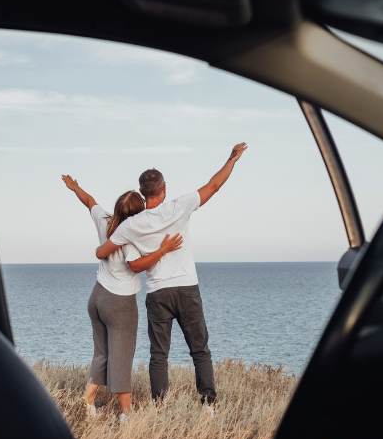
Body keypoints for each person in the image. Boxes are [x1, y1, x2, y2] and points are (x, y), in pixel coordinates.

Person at [94, 143, 248, 408]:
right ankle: (208, 405)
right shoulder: (180, 205)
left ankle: (160, 406)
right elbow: (214, 186)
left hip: (158, 293)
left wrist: (118, 234)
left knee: (159, 355)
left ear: (143, 193)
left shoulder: (131, 225)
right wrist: (232, 160)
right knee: (200, 350)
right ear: (164, 189)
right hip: (187, 288)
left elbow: (102, 251)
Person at [62, 175, 184, 421]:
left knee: (102, 353)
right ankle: (126, 414)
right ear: (137, 215)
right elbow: (137, 266)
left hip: (96, 297)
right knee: (122, 358)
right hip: (119, 304)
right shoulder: (129, 238)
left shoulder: (105, 221)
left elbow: (89, 201)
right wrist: (163, 250)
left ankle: (87, 401)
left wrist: (75, 187)